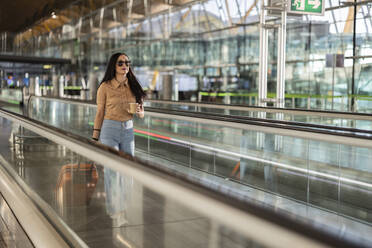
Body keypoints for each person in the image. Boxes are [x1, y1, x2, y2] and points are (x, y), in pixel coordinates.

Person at [92, 52, 146, 227]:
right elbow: (100, 113)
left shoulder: (134, 86)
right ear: (113, 66)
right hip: (109, 129)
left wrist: (140, 112)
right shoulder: (105, 87)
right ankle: (115, 210)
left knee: (127, 171)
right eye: (121, 63)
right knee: (112, 172)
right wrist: (95, 137)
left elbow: (142, 113)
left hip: (128, 130)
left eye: (127, 63)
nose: (125, 65)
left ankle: (124, 207)